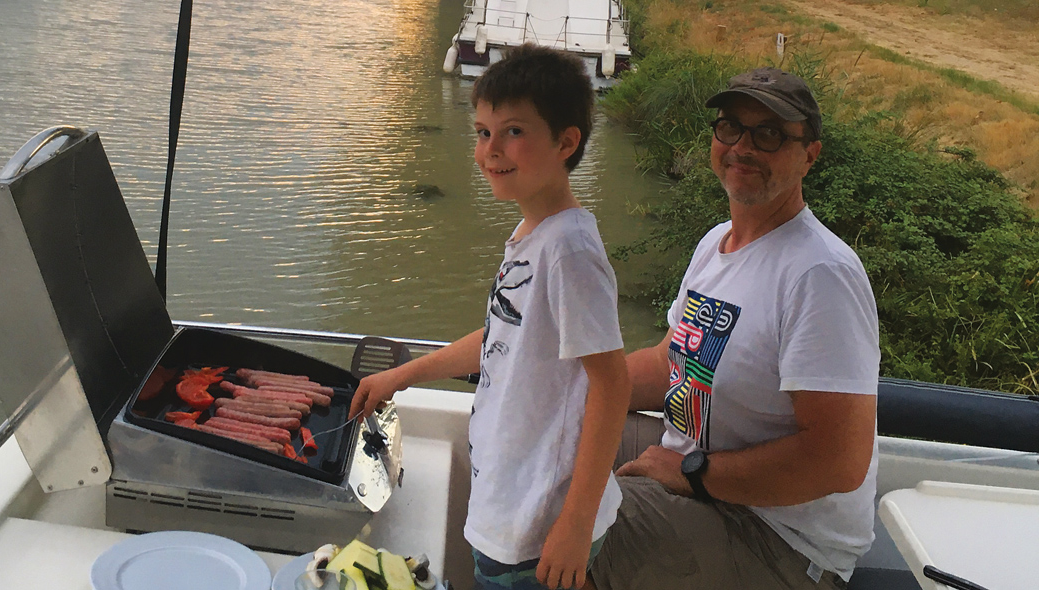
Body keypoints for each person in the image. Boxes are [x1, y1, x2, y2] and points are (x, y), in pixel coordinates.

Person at [350, 44, 631, 590]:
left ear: (566, 141)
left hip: (539, 523)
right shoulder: (533, 234)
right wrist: (399, 377)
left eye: (514, 132)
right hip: (508, 504)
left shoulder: (569, 251)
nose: (491, 151)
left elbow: (612, 384)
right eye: (482, 132)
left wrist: (574, 524)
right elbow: (503, 335)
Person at [589, 68, 880, 590]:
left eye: (768, 134)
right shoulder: (717, 243)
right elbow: (668, 362)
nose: (743, 146)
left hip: (776, 539)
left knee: (577, 527)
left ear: (808, 155)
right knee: (552, 438)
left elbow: (838, 460)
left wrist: (692, 474)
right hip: (700, 470)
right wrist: (572, 382)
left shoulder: (821, 275)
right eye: (730, 128)